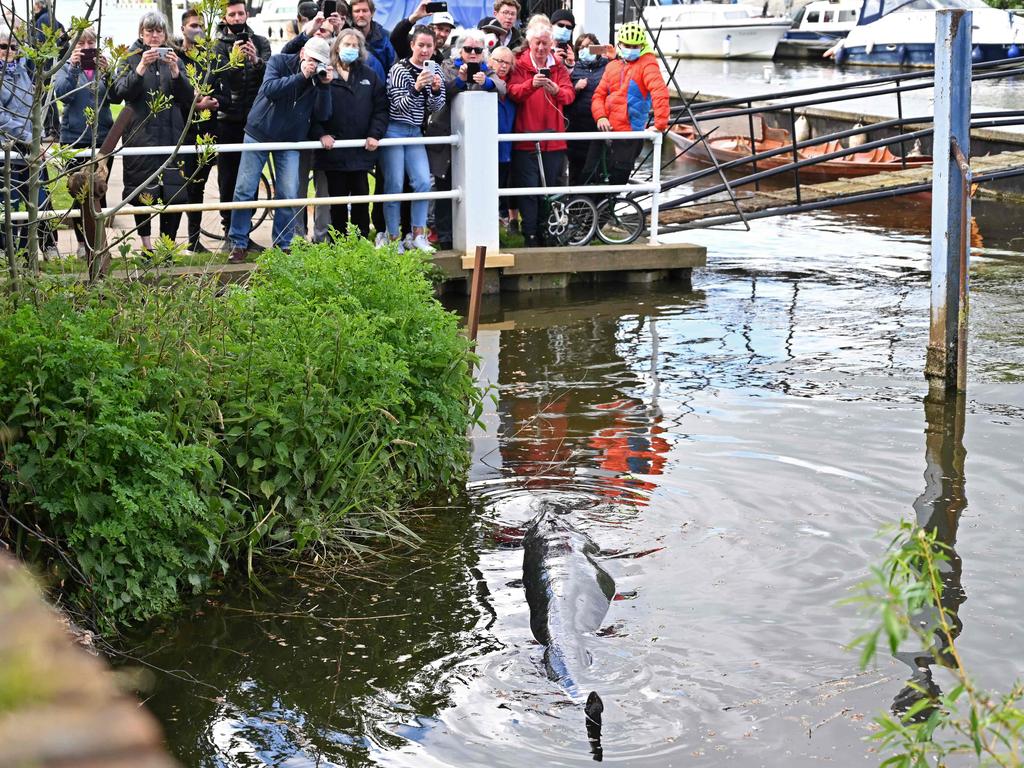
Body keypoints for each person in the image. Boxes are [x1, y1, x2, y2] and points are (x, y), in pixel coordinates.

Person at [226, 36, 334, 262]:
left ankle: (283, 244)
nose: (315, 65)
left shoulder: (319, 79)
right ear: (302, 52)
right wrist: (301, 76)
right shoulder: (278, 62)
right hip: (259, 133)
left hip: (290, 140)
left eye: (320, 62)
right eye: (313, 60)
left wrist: (325, 87)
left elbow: (323, 115)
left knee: (288, 193)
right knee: (245, 189)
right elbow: (270, 90)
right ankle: (237, 243)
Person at [112, 11, 194, 251]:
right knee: (142, 192)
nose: (155, 36)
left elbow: (188, 97)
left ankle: (166, 247)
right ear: (142, 33)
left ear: (165, 34)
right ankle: (147, 247)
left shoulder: (175, 58)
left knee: (173, 193)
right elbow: (118, 93)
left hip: (172, 136)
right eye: (150, 31)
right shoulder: (129, 58)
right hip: (140, 137)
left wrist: (177, 73)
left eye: (159, 31)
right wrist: (140, 68)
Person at [427, 30, 504, 250]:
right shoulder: (447, 67)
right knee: (445, 187)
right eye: (468, 49)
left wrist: (486, 82)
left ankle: (475, 235)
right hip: (446, 137)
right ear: (460, 50)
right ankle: (445, 237)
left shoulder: (487, 68)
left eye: (477, 50)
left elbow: (502, 87)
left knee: (475, 188)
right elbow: (442, 93)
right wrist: (461, 80)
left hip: (476, 144)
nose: (472, 53)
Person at [310, 28, 387, 239]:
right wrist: (320, 134)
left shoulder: (369, 76)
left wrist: (375, 134)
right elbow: (312, 111)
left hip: (360, 152)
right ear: (336, 47)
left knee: (362, 198)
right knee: (337, 203)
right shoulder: (324, 74)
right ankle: (339, 244)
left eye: (355, 45)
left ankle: (360, 242)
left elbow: (381, 108)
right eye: (347, 45)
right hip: (333, 153)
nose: (351, 49)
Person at [284, 8, 351, 242]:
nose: (321, 34)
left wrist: (325, 85)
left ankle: (322, 238)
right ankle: (296, 238)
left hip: (325, 138)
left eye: (326, 31)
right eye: (318, 30)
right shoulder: (297, 59)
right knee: (297, 188)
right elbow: (285, 53)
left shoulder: (338, 64)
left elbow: (328, 111)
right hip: (300, 136)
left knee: (324, 190)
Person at [507, 15, 573, 247]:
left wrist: (555, 89)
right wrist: (530, 85)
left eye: (546, 43)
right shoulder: (519, 63)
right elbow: (512, 92)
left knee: (552, 190)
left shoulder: (559, 67)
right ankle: (531, 236)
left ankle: (549, 233)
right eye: (538, 43)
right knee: (529, 190)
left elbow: (569, 95)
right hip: (527, 138)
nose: (542, 47)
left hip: (553, 139)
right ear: (530, 42)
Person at [380, 25, 444, 252]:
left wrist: (435, 90)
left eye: (429, 46)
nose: (425, 50)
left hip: (416, 131)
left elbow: (437, 106)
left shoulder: (435, 69)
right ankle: (393, 236)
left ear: (434, 48)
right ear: (412, 45)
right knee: (395, 184)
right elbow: (398, 105)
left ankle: (418, 234)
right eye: (421, 45)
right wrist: (417, 88)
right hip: (394, 129)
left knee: (423, 182)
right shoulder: (398, 69)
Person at [54, 26, 116, 258]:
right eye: (82, 44)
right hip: (75, 139)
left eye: (91, 44)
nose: (87, 48)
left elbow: (116, 96)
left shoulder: (102, 68)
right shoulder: (65, 67)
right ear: (73, 46)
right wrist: (72, 67)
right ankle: (83, 243)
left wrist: (108, 73)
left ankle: (100, 241)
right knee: (78, 192)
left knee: (99, 191)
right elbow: (62, 95)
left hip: (101, 140)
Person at [213, 0, 272, 242]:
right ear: (225, 17)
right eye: (232, 15)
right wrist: (235, 63)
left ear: (247, 14)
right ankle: (230, 232)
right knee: (228, 179)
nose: (237, 19)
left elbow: (271, 75)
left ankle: (244, 232)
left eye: (240, 14)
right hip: (227, 122)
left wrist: (256, 60)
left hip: (255, 121)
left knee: (251, 179)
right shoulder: (216, 46)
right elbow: (219, 82)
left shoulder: (260, 42)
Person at [590, 22, 670, 186]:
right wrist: (600, 117)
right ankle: (597, 210)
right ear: (620, 45)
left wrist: (660, 124)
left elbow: (659, 92)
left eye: (635, 46)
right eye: (627, 45)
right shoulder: (613, 66)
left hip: (630, 135)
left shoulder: (647, 65)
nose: (631, 48)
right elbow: (598, 95)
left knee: (617, 179)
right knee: (592, 175)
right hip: (607, 130)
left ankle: (606, 210)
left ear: (642, 45)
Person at [179, 8, 224, 253]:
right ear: (183, 28)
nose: (197, 30)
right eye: (193, 25)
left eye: (201, 26)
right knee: (188, 186)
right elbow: (172, 97)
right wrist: (196, 105)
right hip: (185, 133)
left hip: (209, 130)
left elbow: (223, 89)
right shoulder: (176, 58)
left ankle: (195, 240)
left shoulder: (211, 59)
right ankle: (189, 239)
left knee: (201, 185)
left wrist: (214, 101)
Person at [565, 32, 608, 186]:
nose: (585, 50)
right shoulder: (573, 68)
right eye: (581, 47)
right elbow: (565, 97)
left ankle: (596, 207)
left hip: (598, 126)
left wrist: (604, 51)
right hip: (576, 127)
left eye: (589, 46)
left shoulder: (607, 66)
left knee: (596, 170)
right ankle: (576, 207)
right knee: (576, 169)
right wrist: (575, 88)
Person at [488, 45, 518, 234]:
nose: (503, 66)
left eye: (507, 62)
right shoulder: (484, 84)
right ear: (490, 60)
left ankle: (508, 222)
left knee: (506, 185)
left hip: (508, 147)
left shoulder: (514, 87)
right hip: (489, 148)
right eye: (499, 61)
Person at [350, 0, 395, 74]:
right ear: (351, 14)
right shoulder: (345, 36)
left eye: (364, 11)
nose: (361, 15)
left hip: (380, 84)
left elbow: (393, 67)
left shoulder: (385, 37)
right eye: (357, 11)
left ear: (372, 13)